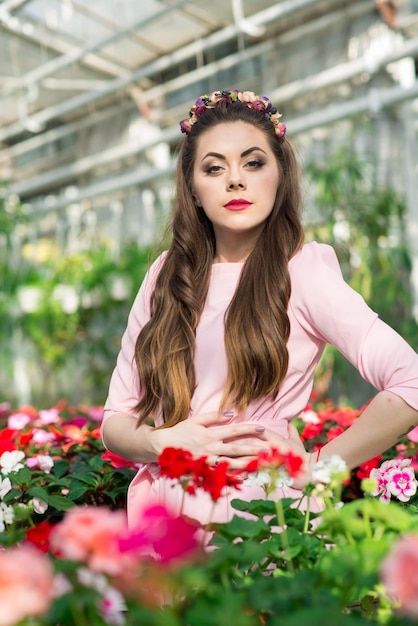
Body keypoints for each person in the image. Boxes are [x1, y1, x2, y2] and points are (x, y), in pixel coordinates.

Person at [101, 88, 418, 528]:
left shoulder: (303, 270)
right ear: (192, 189)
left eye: (253, 163)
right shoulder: (166, 275)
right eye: (214, 168)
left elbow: (410, 380)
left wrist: (321, 465)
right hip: (166, 521)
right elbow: (116, 419)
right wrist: (164, 442)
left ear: (279, 175)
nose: (235, 180)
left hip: (264, 518)